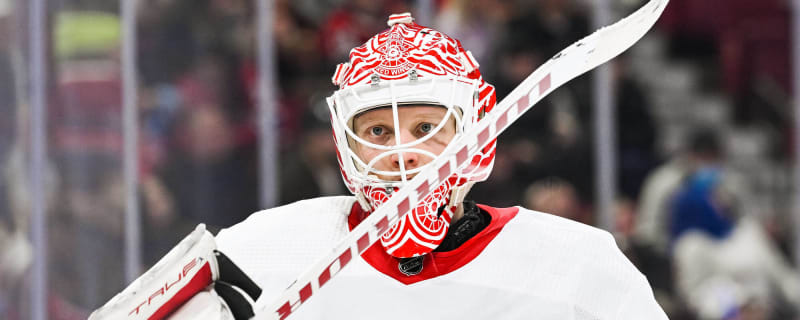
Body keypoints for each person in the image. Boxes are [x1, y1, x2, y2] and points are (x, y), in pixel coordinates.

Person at [93, 13, 666, 320]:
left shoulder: (578, 266)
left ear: (477, 135)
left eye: (424, 129)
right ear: (345, 148)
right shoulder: (263, 253)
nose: (403, 153)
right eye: (376, 131)